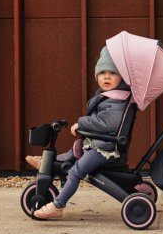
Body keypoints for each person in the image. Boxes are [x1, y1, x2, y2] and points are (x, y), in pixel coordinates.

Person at [27, 46, 131, 220]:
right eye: (102, 72)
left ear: (121, 78)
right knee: (73, 152)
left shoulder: (117, 101)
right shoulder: (111, 97)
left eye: (113, 73)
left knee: (75, 172)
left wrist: (82, 124)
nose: (107, 76)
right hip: (99, 144)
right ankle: (49, 163)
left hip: (104, 150)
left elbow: (106, 124)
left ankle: (58, 205)